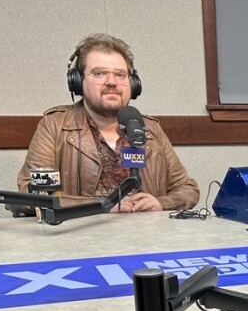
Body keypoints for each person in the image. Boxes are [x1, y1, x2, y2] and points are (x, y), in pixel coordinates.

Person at [17, 34, 199, 212]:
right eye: (99, 73)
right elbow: (31, 193)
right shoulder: (55, 125)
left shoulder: (150, 129)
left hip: (144, 231)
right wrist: (101, 205)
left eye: (120, 75)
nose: (112, 82)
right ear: (78, 81)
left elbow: (187, 189)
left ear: (133, 84)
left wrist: (161, 203)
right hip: (82, 231)